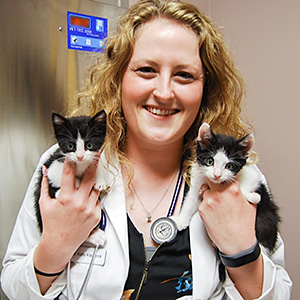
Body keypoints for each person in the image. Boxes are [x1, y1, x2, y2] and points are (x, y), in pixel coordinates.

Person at [1, 0, 292, 299]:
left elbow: (279, 292)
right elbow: (12, 285)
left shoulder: (237, 180)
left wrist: (241, 251)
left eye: (184, 75)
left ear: (206, 89)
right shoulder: (62, 167)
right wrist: (55, 247)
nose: (164, 93)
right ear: (118, 79)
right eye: (146, 70)